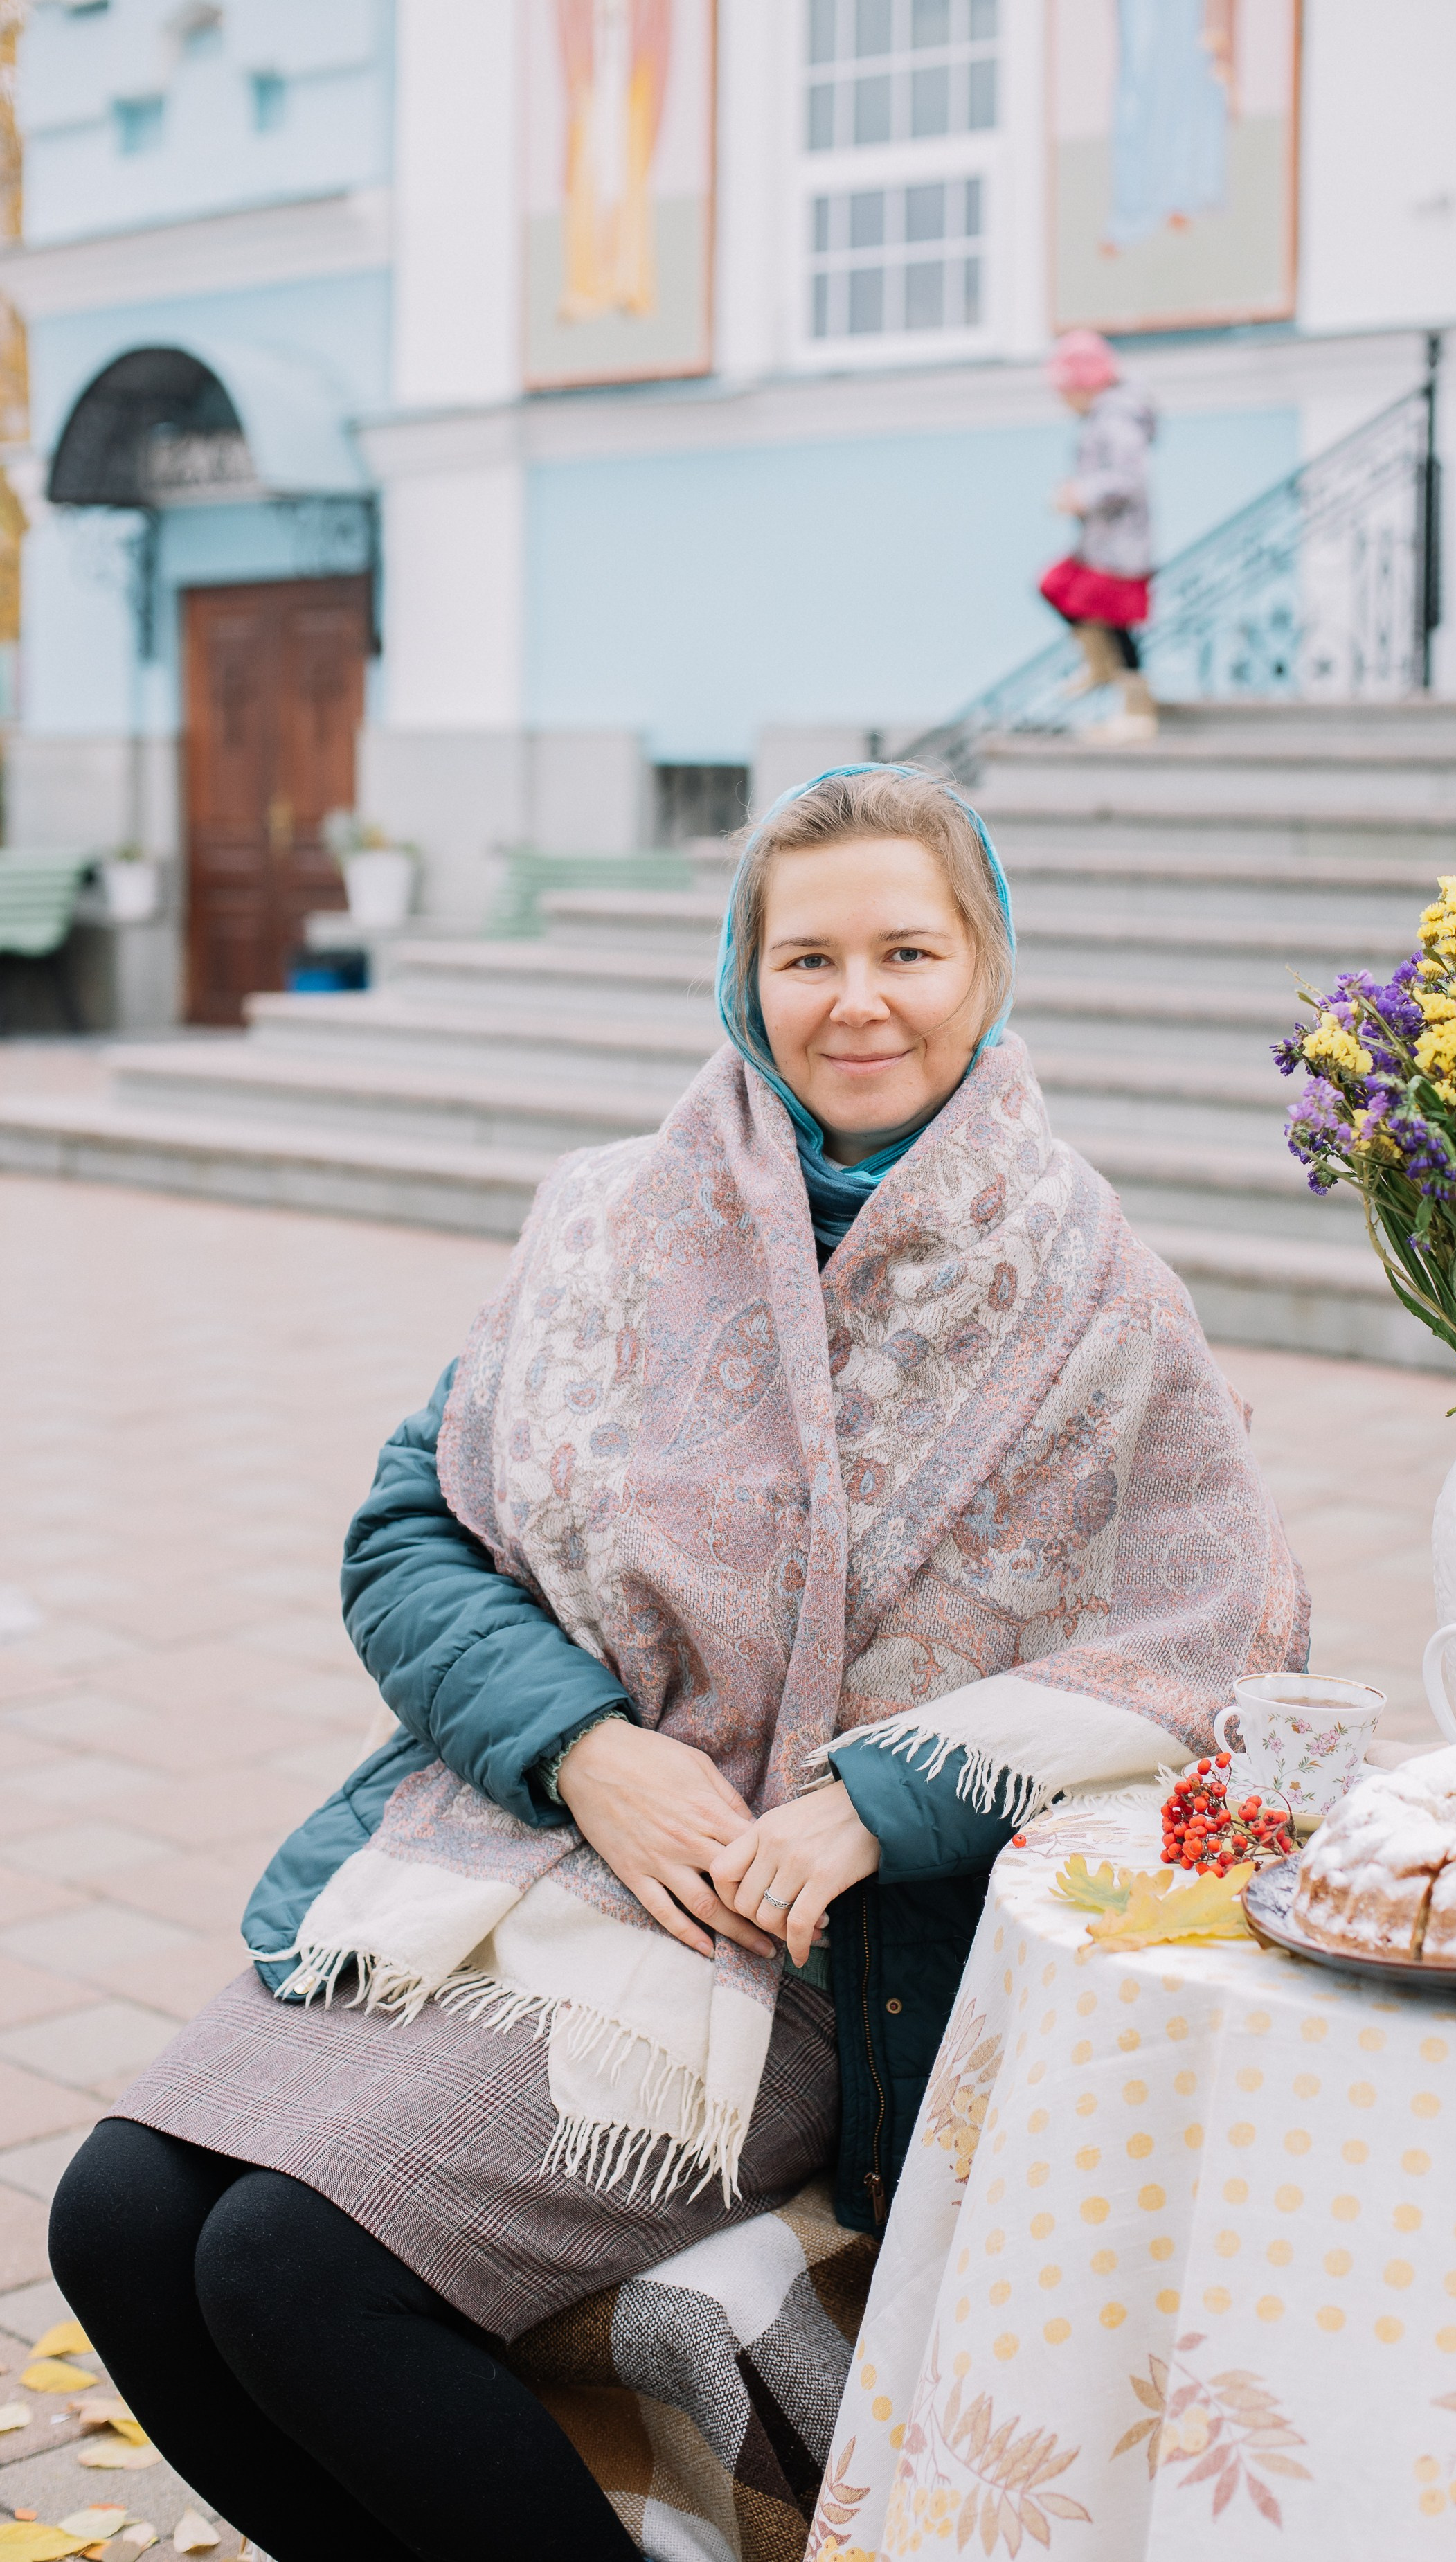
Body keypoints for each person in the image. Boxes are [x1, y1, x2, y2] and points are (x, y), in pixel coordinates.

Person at [48, 766, 1308, 2562]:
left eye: (906, 948)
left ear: (988, 963)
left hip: (794, 1933)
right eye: (807, 954)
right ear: (743, 974)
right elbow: (413, 1533)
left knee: (290, 2266)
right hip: (522, 1843)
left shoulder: (1092, 1293)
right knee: (113, 2213)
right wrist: (581, 1747)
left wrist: (879, 1803)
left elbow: (1213, 1636)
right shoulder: (609, 1225)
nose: (855, 997)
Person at [1039, 327, 1161, 742]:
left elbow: (1128, 479)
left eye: (1065, 388)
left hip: (1120, 548)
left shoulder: (1117, 417)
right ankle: (1101, 668)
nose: (1062, 399)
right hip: (1103, 544)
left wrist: (1082, 495)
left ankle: (1137, 711)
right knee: (1063, 590)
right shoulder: (1106, 416)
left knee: (1117, 622)